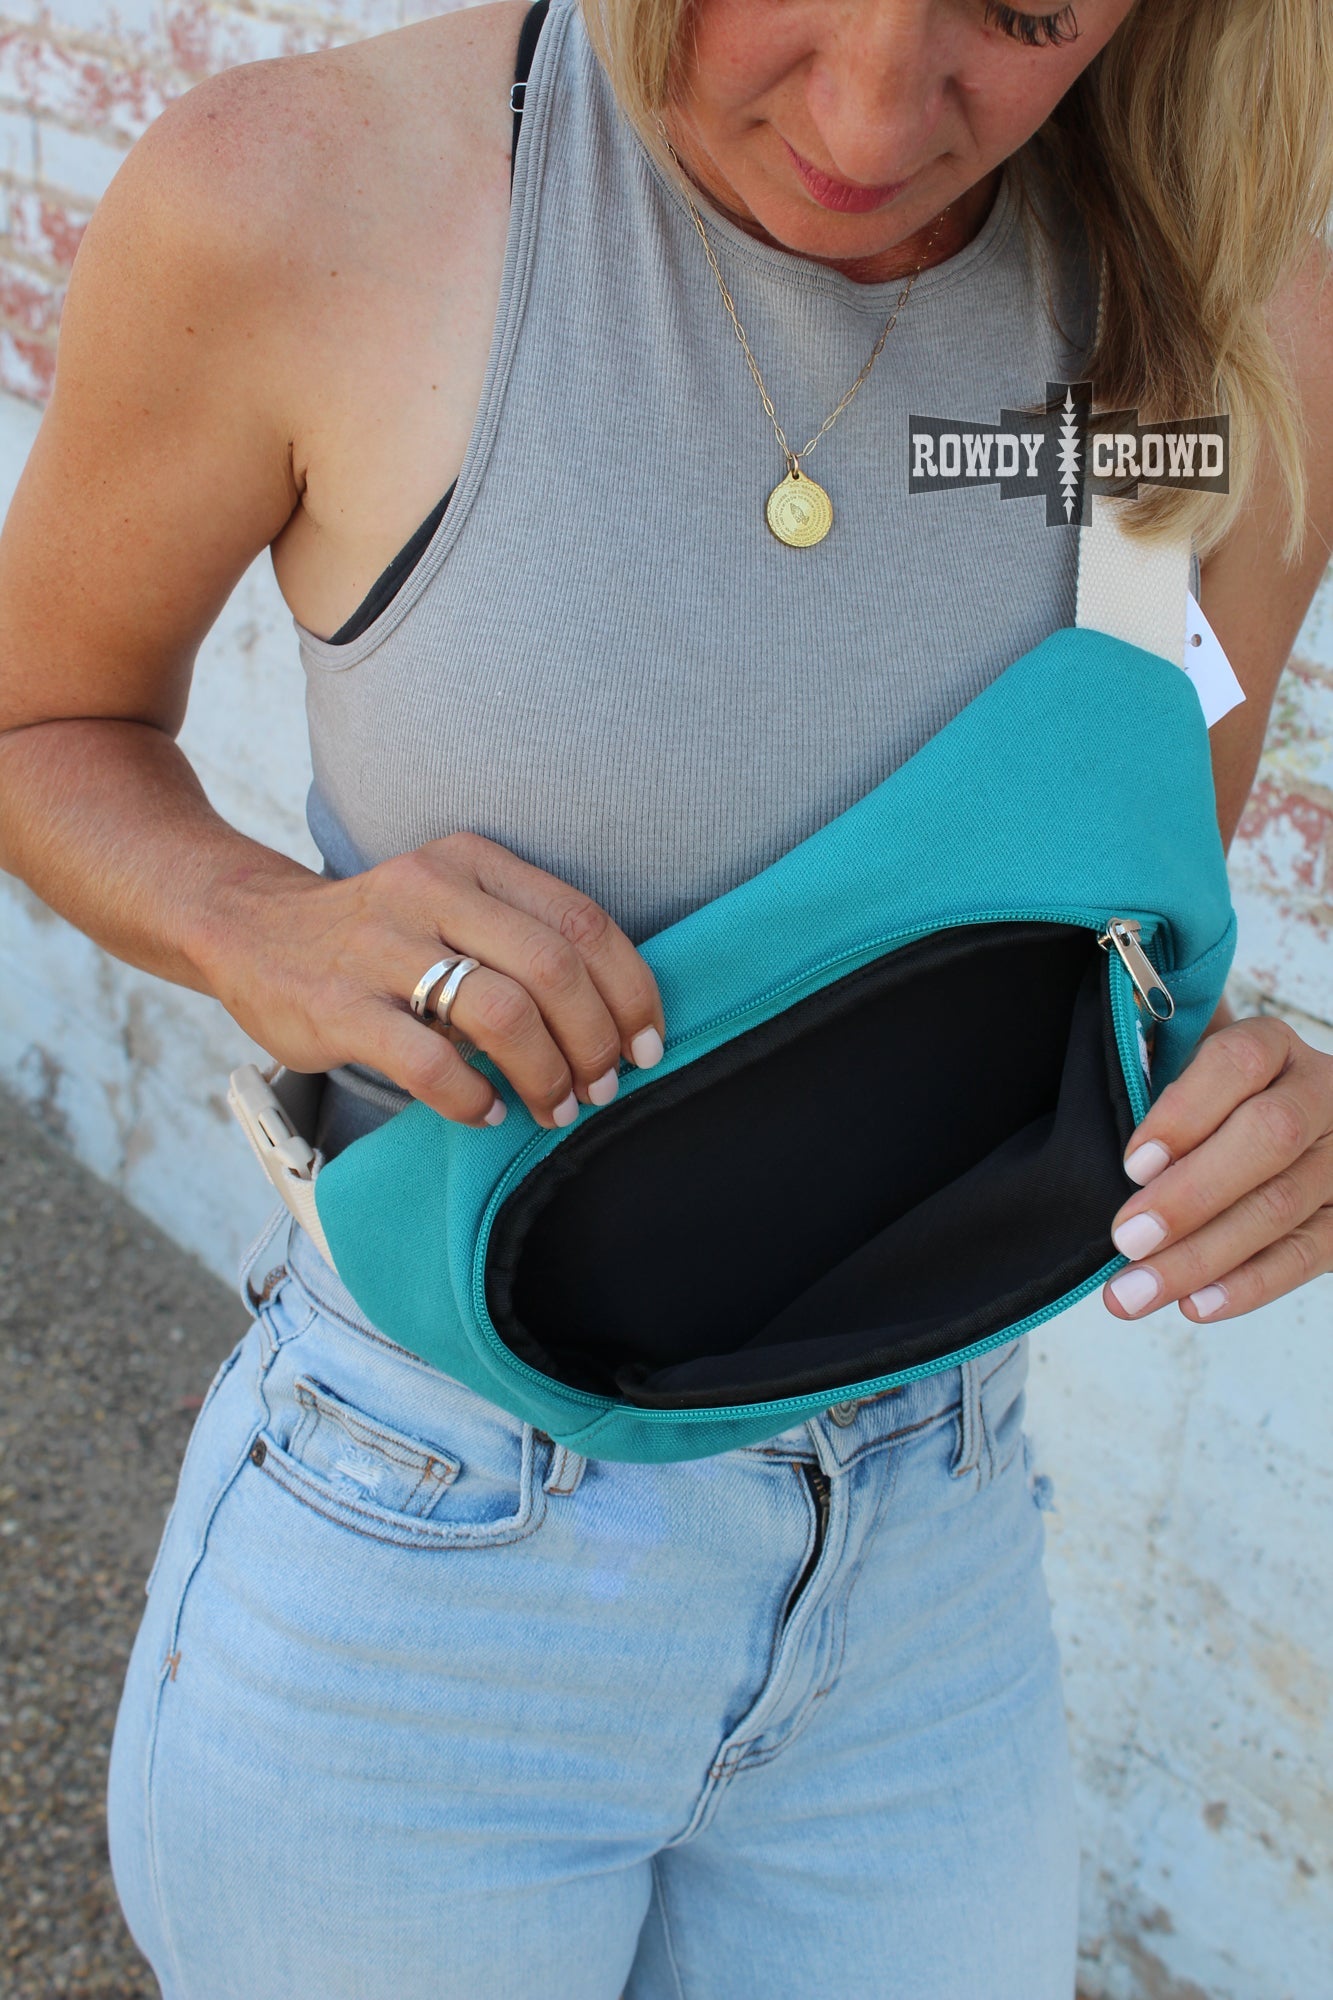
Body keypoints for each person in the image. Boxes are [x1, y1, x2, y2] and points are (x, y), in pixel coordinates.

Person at [0, 0, 1330, 1991]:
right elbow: (40, 720)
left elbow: (1118, 933)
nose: (868, 119)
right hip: (426, 1557)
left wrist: (1268, 1110)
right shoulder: (307, 198)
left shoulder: (1223, 324)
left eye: (1022, 9)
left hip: (932, 1570)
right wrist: (252, 920)